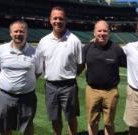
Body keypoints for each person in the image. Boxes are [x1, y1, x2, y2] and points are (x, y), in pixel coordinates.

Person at [35, 6, 83, 135]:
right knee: (55, 118)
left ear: (65, 20)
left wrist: (71, 75)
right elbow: (39, 65)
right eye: (55, 18)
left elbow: (81, 64)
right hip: (50, 86)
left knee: (71, 117)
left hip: (69, 86)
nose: (58, 21)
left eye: (61, 18)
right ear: (50, 20)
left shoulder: (75, 40)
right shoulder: (43, 41)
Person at [0, 20, 41, 135]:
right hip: (6, 96)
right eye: (16, 31)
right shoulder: (0, 50)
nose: (19, 34)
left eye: (22, 31)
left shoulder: (35, 52)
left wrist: (24, 83)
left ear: (26, 33)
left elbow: (38, 72)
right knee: (5, 127)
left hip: (28, 97)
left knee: (28, 126)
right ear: (10, 33)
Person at [82, 20, 126, 135]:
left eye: (105, 31)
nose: (102, 33)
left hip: (110, 92)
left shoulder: (116, 48)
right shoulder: (87, 48)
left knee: (109, 123)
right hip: (92, 91)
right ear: (94, 33)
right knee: (92, 122)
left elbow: (129, 64)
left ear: (109, 32)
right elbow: (80, 64)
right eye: (99, 30)